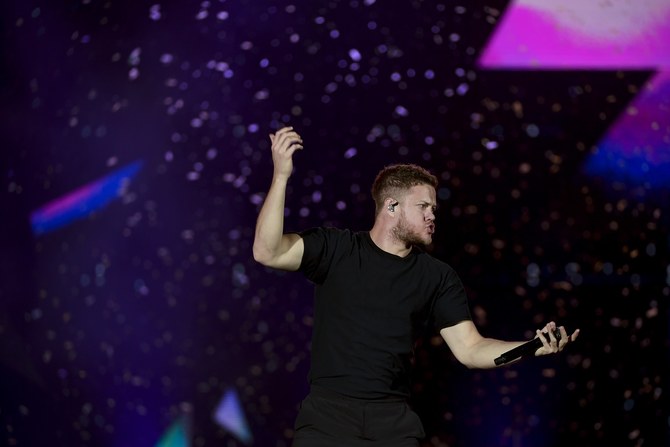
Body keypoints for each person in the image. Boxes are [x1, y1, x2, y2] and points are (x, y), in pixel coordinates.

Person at [252, 127, 580, 447]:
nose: (432, 215)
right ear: (392, 206)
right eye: (423, 206)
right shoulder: (336, 248)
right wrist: (281, 176)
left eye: (434, 209)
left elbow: (470, 349)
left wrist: (529, 347)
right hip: (328, 419)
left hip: (393, 424)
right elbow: (268, 252)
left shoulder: (437, 277)